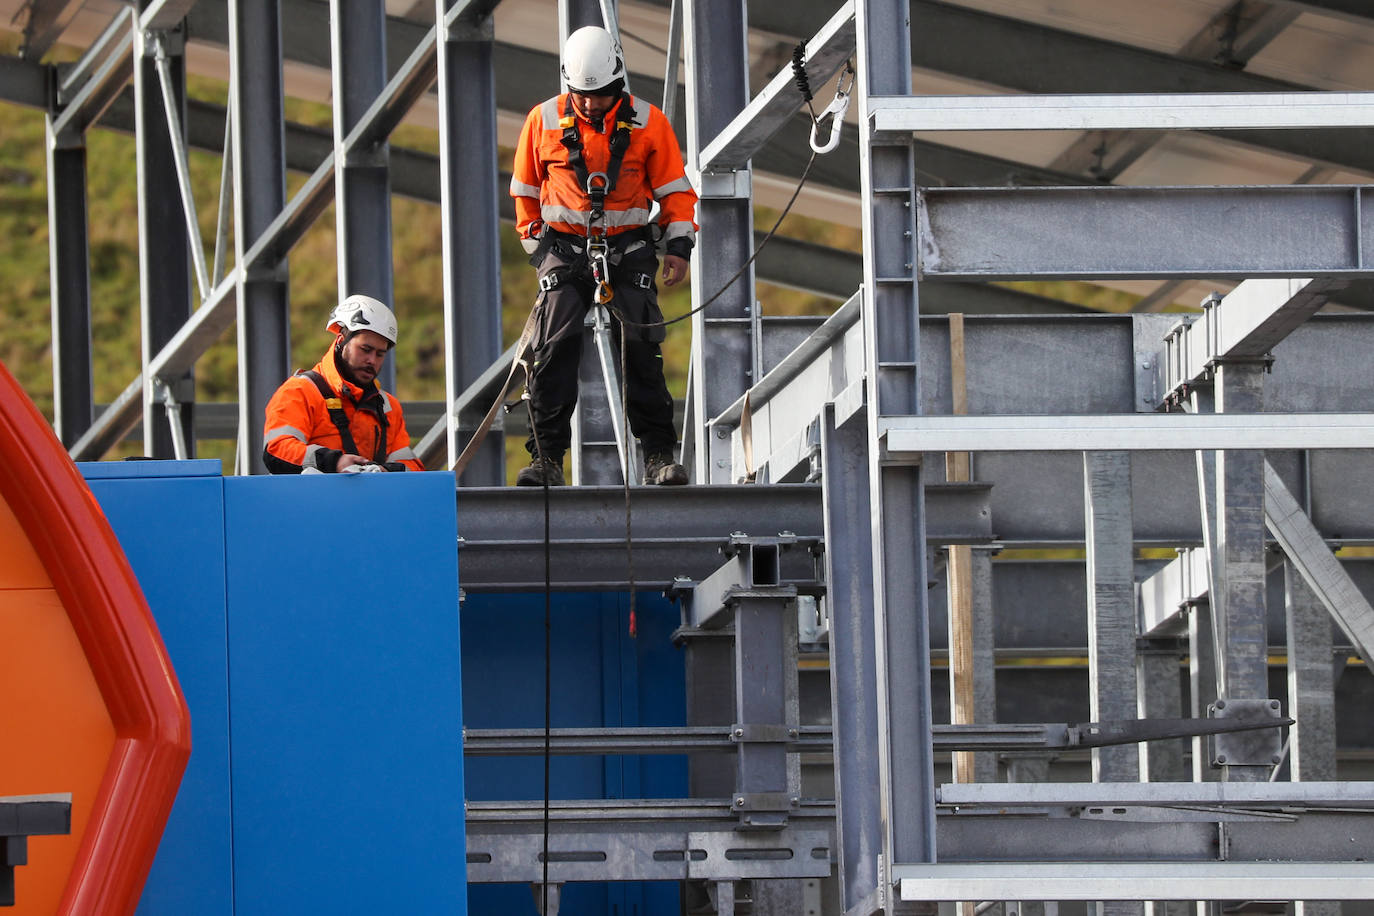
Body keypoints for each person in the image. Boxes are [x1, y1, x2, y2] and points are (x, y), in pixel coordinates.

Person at [509, 24, 698, 487]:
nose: (591, 104)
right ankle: (547, 458)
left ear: (618, 83)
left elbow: (675, 191)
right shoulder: (543, 120)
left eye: (601, 96)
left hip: (629, 249)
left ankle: (658, 455)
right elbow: (525, 191)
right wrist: (540, 249)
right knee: (554, 349)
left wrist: (678, 247)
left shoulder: (649, 124)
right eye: (582, 96)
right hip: (564, 248)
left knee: (640, 348)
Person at [262, 294, 424, 474]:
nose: (372, 360)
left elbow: (413, 468)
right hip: (310, 501)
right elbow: (276, 449)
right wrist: (334, 462)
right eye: (365, 349)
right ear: (341, 342)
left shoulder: (388, 407)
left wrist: (386, 471)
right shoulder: (300, 392)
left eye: (380, 354)